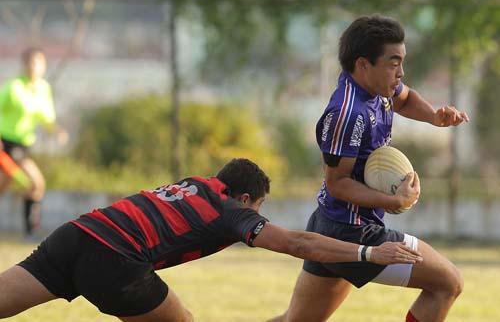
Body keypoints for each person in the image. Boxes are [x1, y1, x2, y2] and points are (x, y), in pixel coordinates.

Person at [0, 158, 422, 321]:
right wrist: (368, 250)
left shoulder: (195, 183)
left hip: (76, 235)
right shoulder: (230, 210)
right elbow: (300, 244)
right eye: (255, 207)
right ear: (244, 199)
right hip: (117, 259)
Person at [268, 16, 468, 322]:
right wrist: (395, 201)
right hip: (352, 231)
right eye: (393, 63)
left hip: (331, 223)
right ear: (363, 64)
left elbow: (405, 97)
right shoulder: (347, 114)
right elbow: (338, 183)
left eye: (402, 61)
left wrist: (433, 117)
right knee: (448, 283)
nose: (400, 72)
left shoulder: (380, 89)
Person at [0, 47, 68, 238]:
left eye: (37, 63)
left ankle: (29, 232)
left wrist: (57, 131)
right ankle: (31, 232)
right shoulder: (13, 87)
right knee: (36, 183)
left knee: (4, 186)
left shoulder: (43, 89)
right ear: (23, 65)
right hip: (7, 143)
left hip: (25, 145)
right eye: (30, 63)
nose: (33, 67)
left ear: (44, 66)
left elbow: (45, 117)